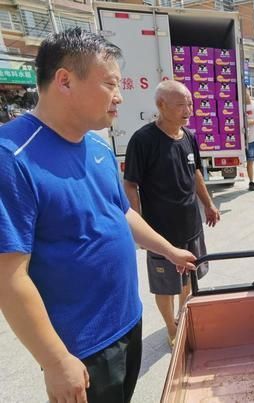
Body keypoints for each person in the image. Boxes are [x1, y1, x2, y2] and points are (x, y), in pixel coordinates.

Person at [0, 29, 198, 403]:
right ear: (65, 80)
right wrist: (56, 360)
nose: (120, 96)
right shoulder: (12, 158)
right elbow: (8, 278)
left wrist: (169, 250)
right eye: (110, 84)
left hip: (127, 323)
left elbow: (120, 212)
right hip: (80, 347)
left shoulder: (96, 144)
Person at [123, 80, 220, 347]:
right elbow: (130, 183)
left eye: (189, 103)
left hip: (191, 225)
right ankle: (171, 327)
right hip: (161, 232)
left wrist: (208, 204)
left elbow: (196, 172)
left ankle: (183, 314)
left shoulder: (188, 137)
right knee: (165, 285)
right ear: (160, 105)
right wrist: (139, 224)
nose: (188, 109)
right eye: (181, 105)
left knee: (188, 277)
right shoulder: (143, 140)